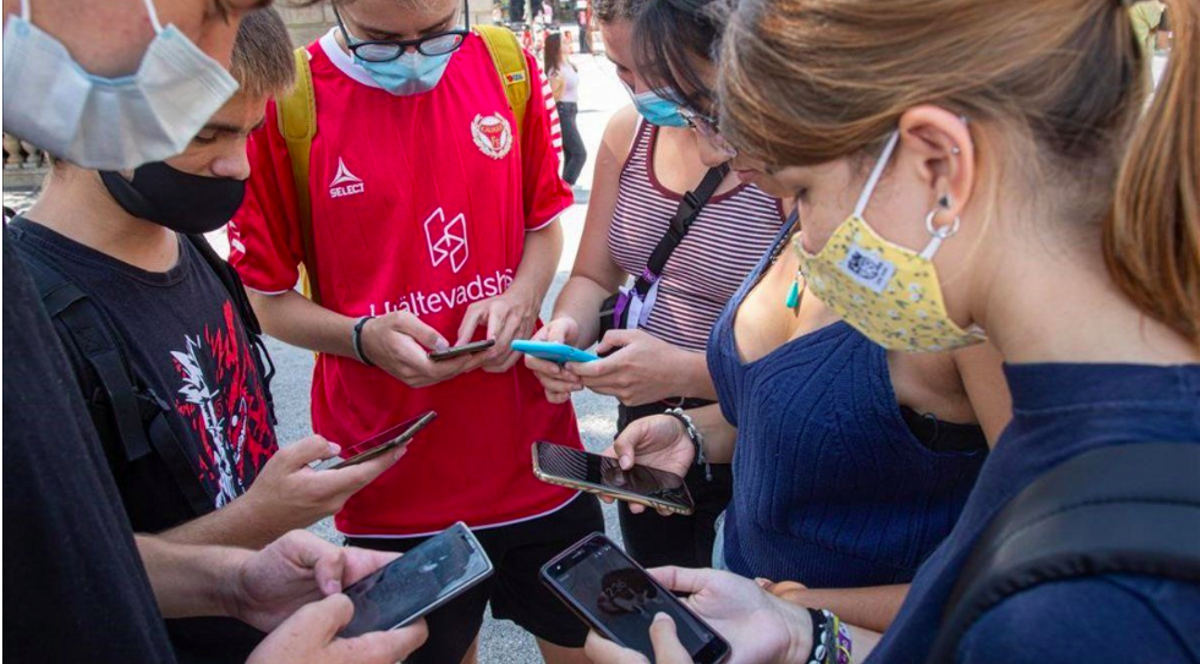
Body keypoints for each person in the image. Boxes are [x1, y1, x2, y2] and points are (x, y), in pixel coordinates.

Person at [590, 0, 1200, 660]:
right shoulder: (1082, 428)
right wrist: (806, 638)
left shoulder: (1101, 601)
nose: (806, 234)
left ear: (939, 164)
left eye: (805, 194)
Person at [2, 1, 426, 663]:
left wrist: (241, 575)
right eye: (204, 136)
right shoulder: (28, 314)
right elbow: (52, 569)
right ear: (106, 115)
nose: (240, 167)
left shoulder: (192, 249)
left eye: (249, 135)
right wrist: (262, 517)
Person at [577, 0, 1008, 632]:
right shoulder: (818, 209)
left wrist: (803, 619)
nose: (705, 143)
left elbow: (1036, 571)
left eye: (714, 109)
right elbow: (811, 415)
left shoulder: (964, 302)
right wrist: (698, 434)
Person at [228, 0, 604, 661]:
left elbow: (544, 222)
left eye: (434, 35)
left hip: (540, 462)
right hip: (396, 484)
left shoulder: (505, 65)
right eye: (378, 41)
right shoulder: (290, 103)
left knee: (591, 646)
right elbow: (267, 298)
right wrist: (363, 337)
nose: (412, 59)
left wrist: (521, 296)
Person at [525, 0, 785, 571]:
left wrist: (688, 371)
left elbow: (818, 348)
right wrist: (567, 326)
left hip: (755, 418)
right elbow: (596, 274)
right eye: (619, 69)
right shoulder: (629, 133)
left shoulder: (775, 159)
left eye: (655, 70)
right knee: (662, 592)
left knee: (756, 599)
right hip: (643, 414)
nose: (637, 88)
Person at [545, 31, 588, 186]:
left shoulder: (568, 65)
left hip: (572, 110)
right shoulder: (554, 71)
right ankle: (565, 186)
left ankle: (562, 186)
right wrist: (557, 85)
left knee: (570, 153)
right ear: (556, 47)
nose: (568, 43)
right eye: (564, 42)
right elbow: (552, 97)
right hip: (562, 110)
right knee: (579, 154)